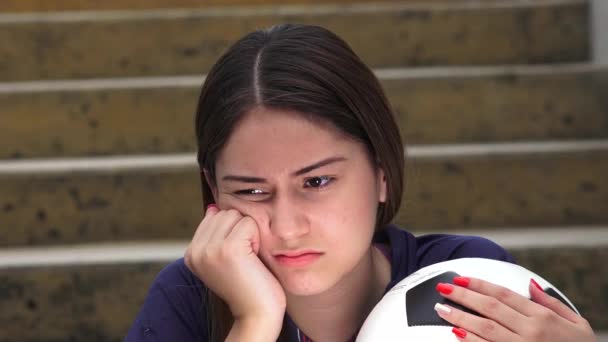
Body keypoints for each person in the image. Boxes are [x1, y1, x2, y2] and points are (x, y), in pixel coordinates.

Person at [125, 24, 596, 342]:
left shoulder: (469, 279)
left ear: (381, 174)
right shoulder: (188, 300)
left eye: (318, 181)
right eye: (251, 191)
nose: (287, 228)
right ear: (213, 193)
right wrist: (254, 321)